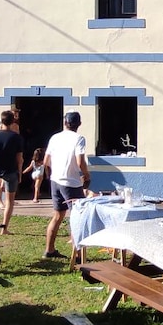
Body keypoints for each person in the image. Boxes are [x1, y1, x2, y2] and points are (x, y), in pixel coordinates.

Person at [43, 111, 90, 259]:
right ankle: (76, 255)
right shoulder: (79, 139)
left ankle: (49, 250)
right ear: (79, 124)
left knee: (58, 215)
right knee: (77, 217)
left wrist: (57, 169)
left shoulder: (55, 138)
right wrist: (86, 175)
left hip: (55, 180)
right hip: (71, 182)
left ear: (65, 123)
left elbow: (46, 161)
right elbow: (80, 161)